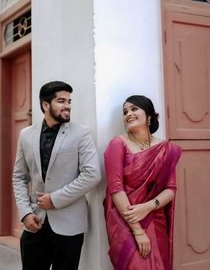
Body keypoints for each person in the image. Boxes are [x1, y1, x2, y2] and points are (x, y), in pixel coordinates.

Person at [13, 80, 101, 270]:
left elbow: (92, 174)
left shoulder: (81, 133)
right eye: (61, 101)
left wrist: (55, 199)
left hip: (69, 225)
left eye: (69, 101)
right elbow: (19, 177)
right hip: (35, 222)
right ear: (46, 105)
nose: (67, 106)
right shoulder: (26, 135)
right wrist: (25, 212)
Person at [103, 95, 182, 270]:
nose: (128, 114)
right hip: (125, 220)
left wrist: (148, 207)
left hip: (154, 219)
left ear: (149, 116)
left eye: (134, 109)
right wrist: (138, 231)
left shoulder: (165, 149)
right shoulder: (118, 144)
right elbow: (116, 189)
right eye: (125, 111)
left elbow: (171, 189)